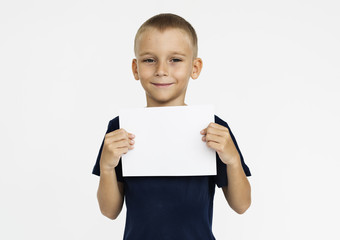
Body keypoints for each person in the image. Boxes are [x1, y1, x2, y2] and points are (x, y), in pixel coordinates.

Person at [92, 13, 251, 240]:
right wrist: (107, 167)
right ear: (135, 69)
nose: (161, 70)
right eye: (149, 60)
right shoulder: (120, 129)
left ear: (194, 68)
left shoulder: (214, 128)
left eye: (175, 59)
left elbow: (242, 204)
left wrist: (233, 160)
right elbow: (109, 211)